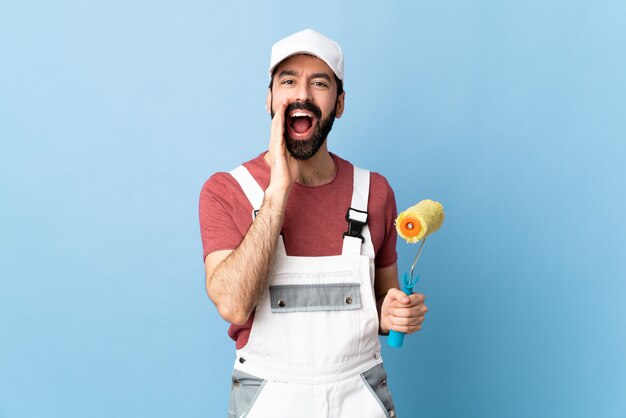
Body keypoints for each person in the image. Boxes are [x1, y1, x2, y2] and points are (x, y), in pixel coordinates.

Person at [199, 29, 428, 418]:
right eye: (288, 81)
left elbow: (383, 304)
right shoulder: (226, 191)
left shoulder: (374, 192)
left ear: (339, 104)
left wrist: (394, 316)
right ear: (270, 98)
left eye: (319, 83)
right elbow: (235, 307)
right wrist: (277, 193)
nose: (302, 94)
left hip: (360, 398)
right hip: (269, 400)